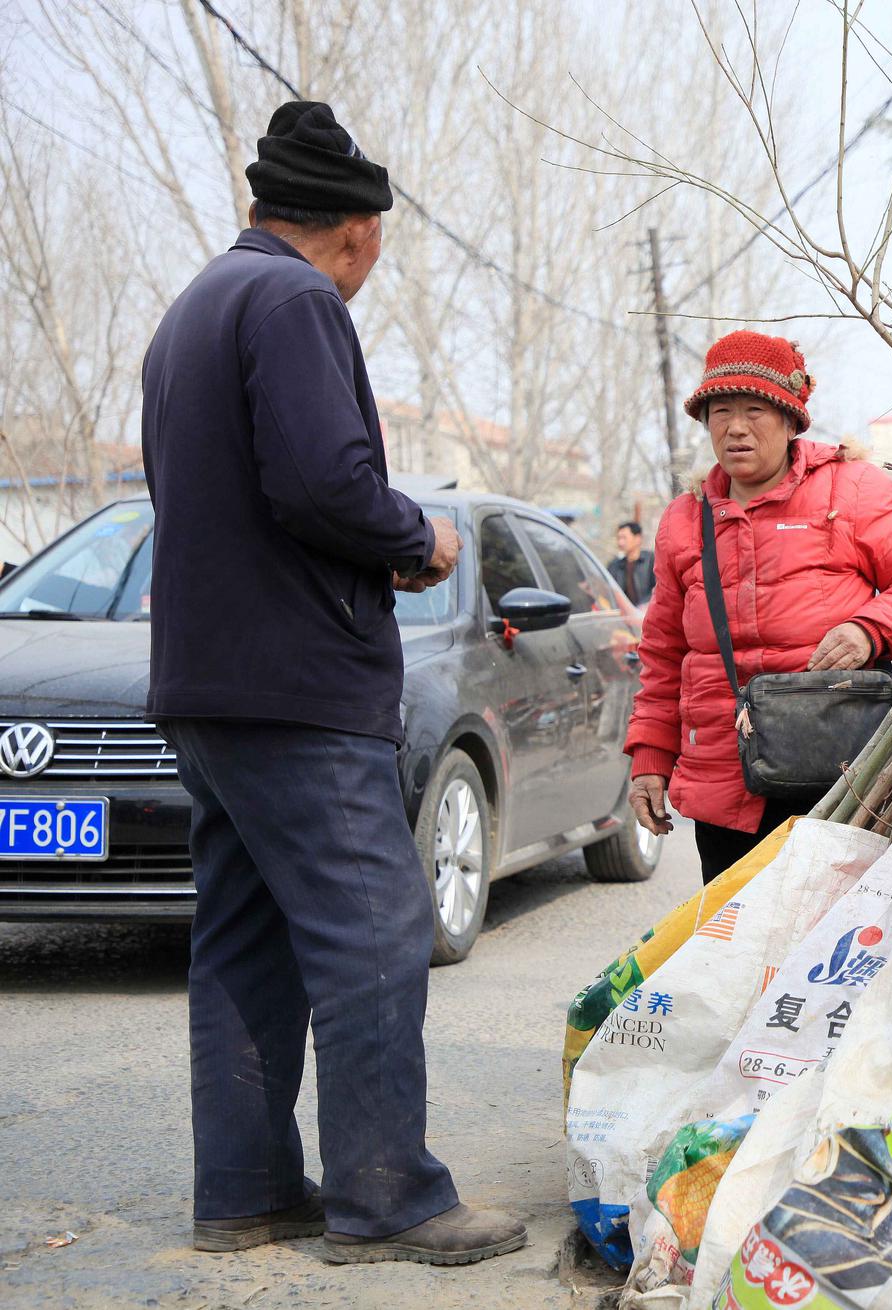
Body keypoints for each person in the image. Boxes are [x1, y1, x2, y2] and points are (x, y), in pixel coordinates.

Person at [140, 101, 525, 1267]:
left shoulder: (193, 308)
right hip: (298, 684)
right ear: (358, 232)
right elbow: (321, 483)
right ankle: (386, 1194)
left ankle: (245, 1190)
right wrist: (418, 537)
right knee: (375, 928)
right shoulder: (297, 301)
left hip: (207, 682)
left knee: (245, 936)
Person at [623, 331, 892, 877]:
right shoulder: (684, 520)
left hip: (839, 773)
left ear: (790, 420)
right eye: (720, 412)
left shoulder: (850, 490)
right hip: (726, 781)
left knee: (836, 925)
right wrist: (651, 756)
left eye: (754, 411)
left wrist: (870, 630)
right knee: (736, 926)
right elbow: (663, 652)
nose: (736, 427)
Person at [609, 520, 655, 606]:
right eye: (618, 538)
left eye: (624, 538)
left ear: (637, 538)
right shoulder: (616, 565)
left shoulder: (651, 560)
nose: (620, 542)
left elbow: (658, 588)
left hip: (649, 610)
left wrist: (642, 606)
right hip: (625, 612)